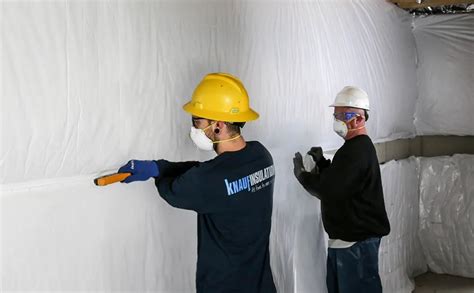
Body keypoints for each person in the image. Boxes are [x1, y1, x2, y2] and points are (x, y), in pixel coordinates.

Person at [118, 73, 277, 293]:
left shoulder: (209, 179)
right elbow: (205, 173)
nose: (193, 127)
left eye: (197, 120)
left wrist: (157, 172)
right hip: (261, 286)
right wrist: (160, 166)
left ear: (218, 125)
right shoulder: (261, 155)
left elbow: (174, 190)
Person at [292, 86, 390, 293]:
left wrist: (303, 176)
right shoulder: (353, 149)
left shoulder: (357, 150)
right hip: (348, 241)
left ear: (360, 119)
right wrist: (324, 164)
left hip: (357, 244)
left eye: (343, 115)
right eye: (336, 115)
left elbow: (330, 190)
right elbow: (344, 180)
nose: (337, 120)